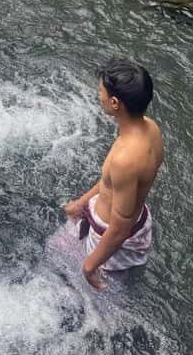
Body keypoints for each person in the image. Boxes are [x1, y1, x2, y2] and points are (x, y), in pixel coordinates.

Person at [64, 58, 163, 291]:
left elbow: (119, 229)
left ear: (115, 102)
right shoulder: (150, 127)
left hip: (110, 234)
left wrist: (89, 268)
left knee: (98, 293)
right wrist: (82, 203)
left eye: (101, 91)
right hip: (123, 218)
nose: (99, 96)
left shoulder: (125, 159)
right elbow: (112, 183)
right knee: (58, 248)